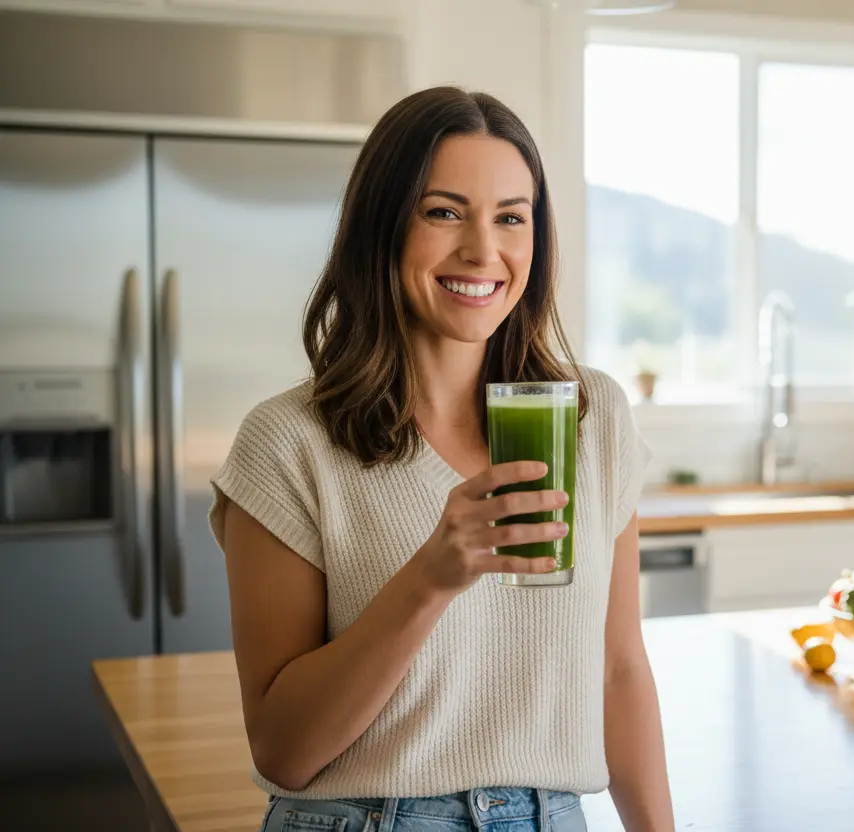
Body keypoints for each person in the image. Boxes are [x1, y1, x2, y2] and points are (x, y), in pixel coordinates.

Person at [208, 86, 675, 832]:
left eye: (511, 218)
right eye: (444, 212)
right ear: (383, 225)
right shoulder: (288, 444)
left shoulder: (592, 419)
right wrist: (430, 578)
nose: (482, 251)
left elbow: (619, 672)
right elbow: (283, 751)